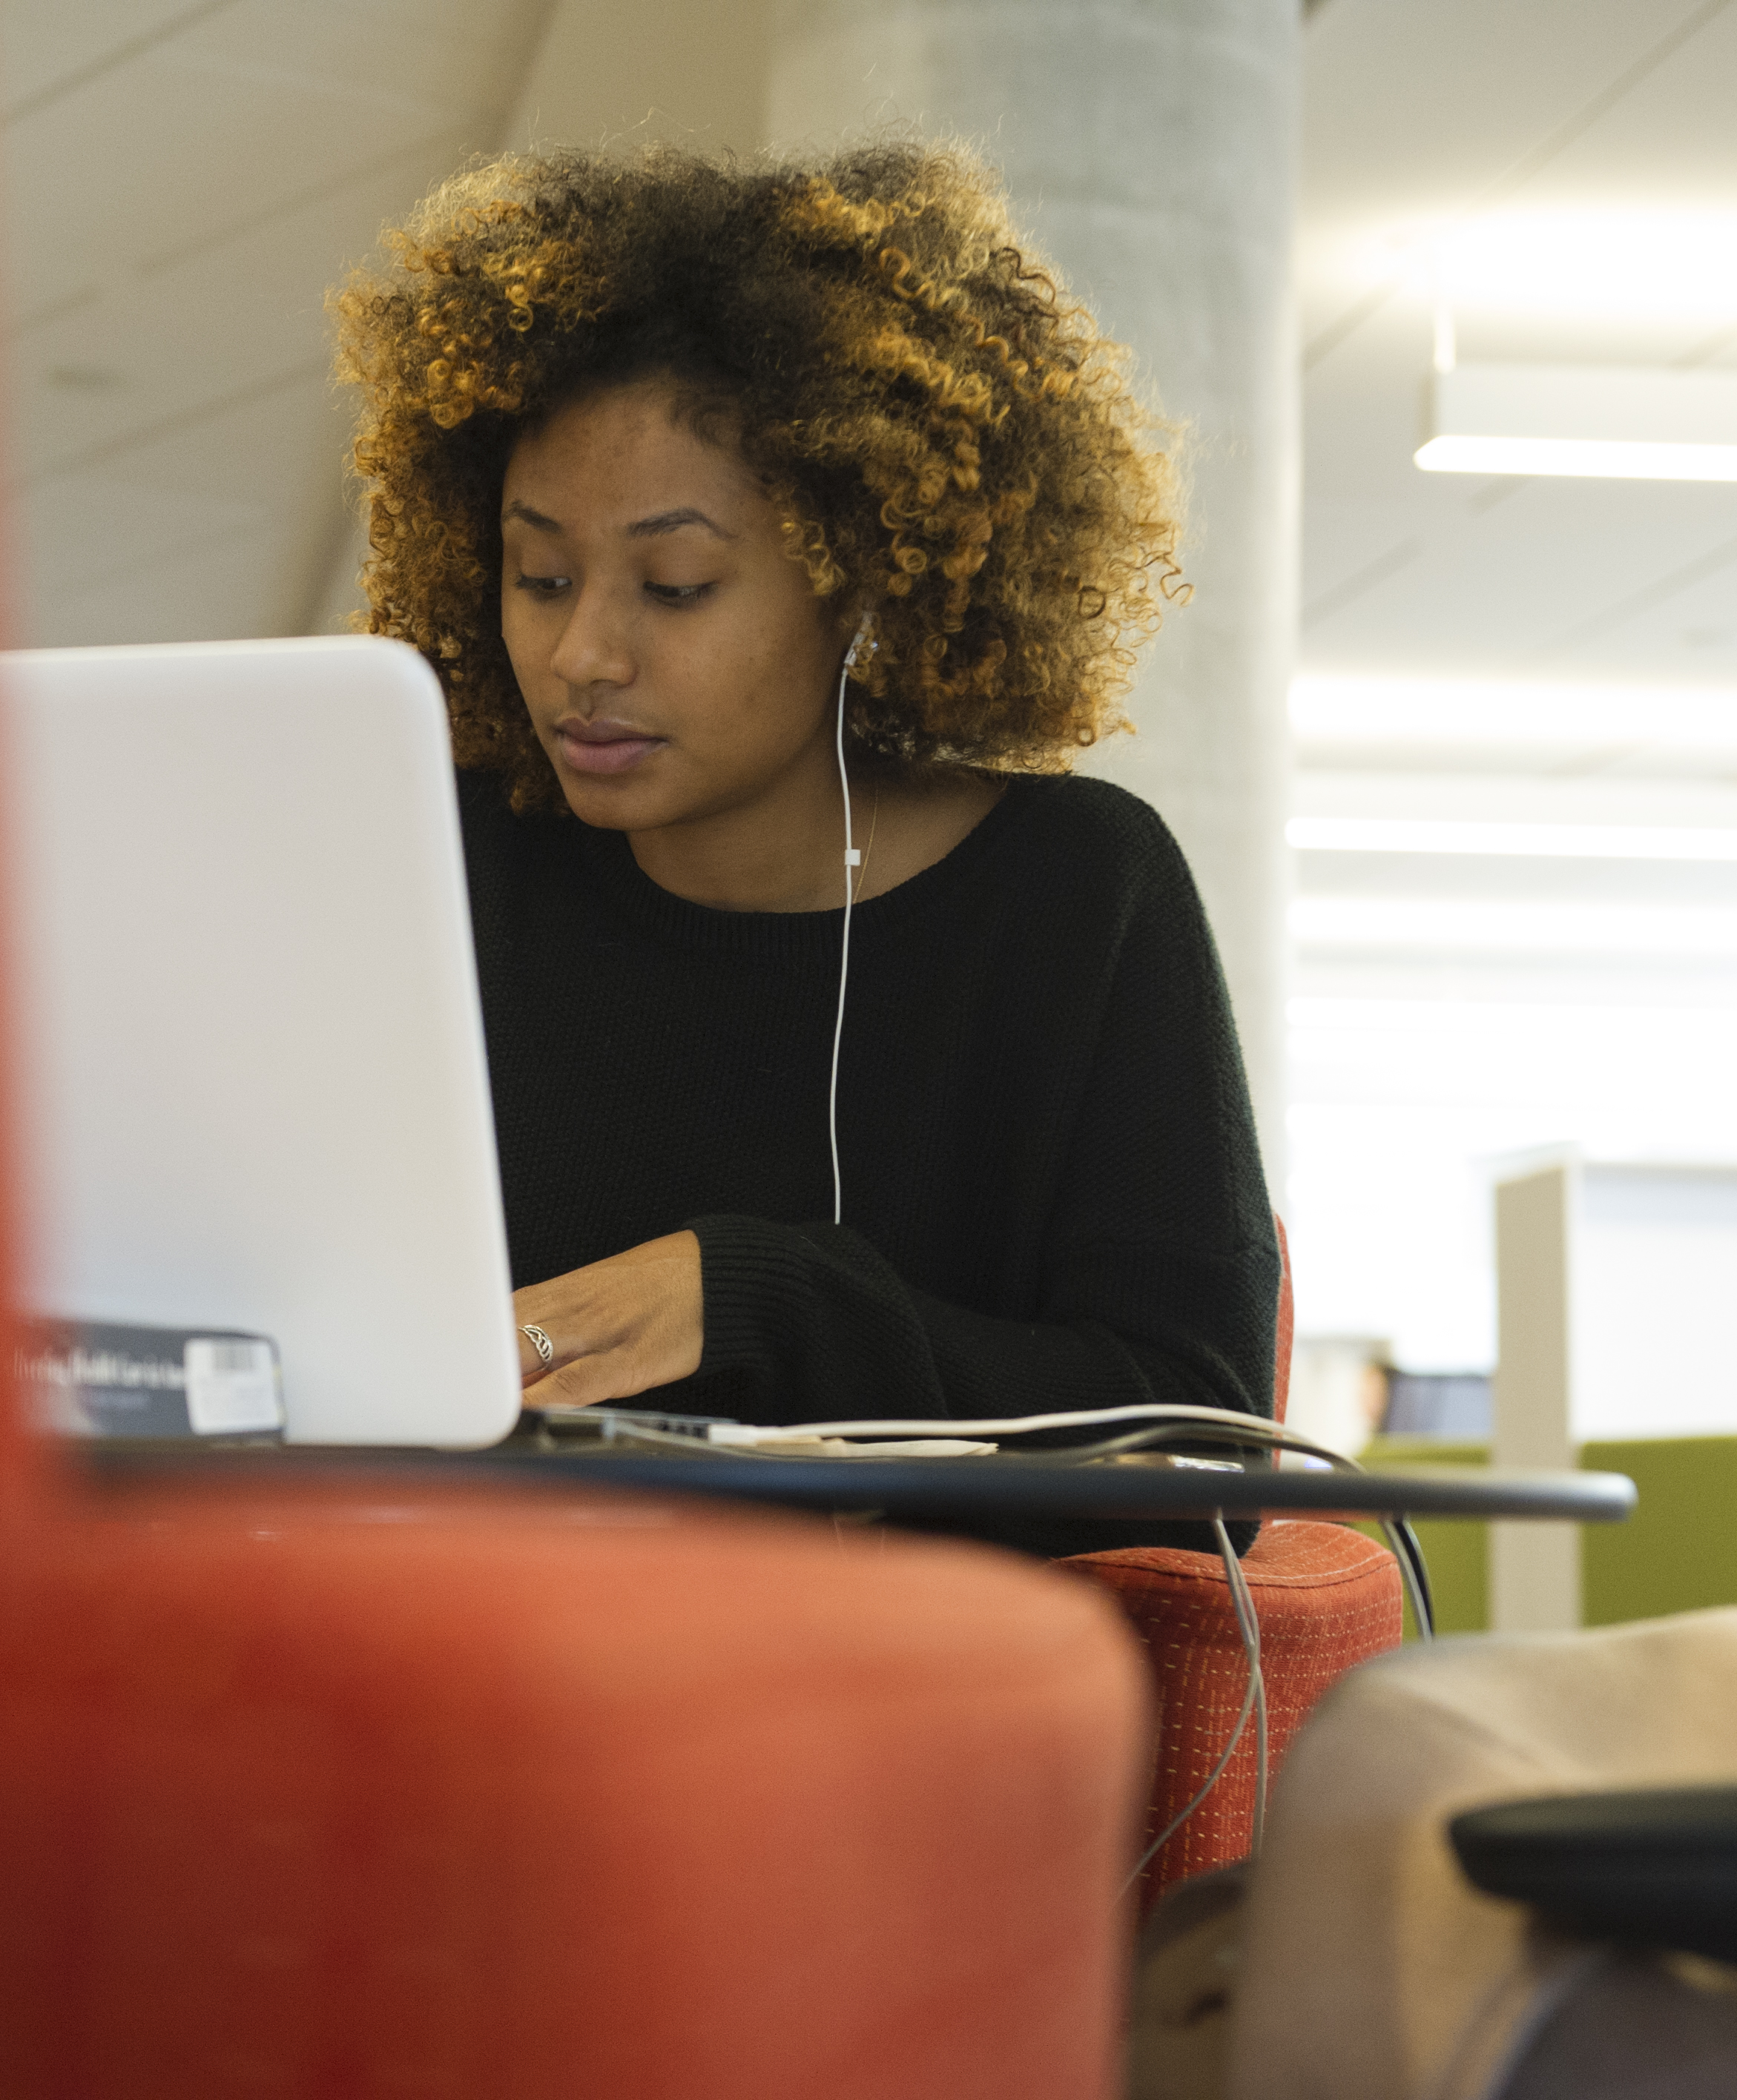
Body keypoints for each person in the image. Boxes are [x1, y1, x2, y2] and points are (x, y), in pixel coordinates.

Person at [330, 142, 1278, 1442]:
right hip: (473, 1609)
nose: (581, 656)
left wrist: (759, 1300)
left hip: (905, 1638)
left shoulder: (1077, 897)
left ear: (861, 580)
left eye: (675, 588)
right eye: (539, 576)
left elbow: (1203, 1422)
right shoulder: (446, 867)